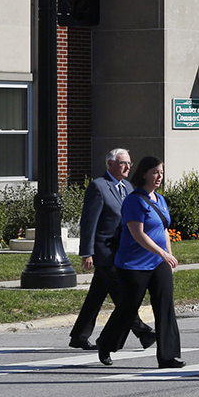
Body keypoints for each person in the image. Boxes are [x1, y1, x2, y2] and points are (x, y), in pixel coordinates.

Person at [96, 156, 184, 368]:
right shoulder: (134, 201)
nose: (159, 176)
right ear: (144, 174)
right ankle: (106, 343)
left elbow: (164, 229)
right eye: (154, 172)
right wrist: (162, 254)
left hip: (158, 263)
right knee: (128, 308)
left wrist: (168, 255)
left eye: (161, 172)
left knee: (165, 306)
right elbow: (138, 234)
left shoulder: (160, 200)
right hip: (133, 264)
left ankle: (168, 357)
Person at [69, 148, 156, 351]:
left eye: (129, 164)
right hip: (104, 252)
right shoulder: (98, 187)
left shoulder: (128, 187)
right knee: (122, 295)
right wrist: (87, 252)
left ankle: (79, 336)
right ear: (110, 164)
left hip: (121, 250)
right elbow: (89, 222)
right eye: (123, 163)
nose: (127, 167)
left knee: (97, 295)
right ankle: (143, 332)